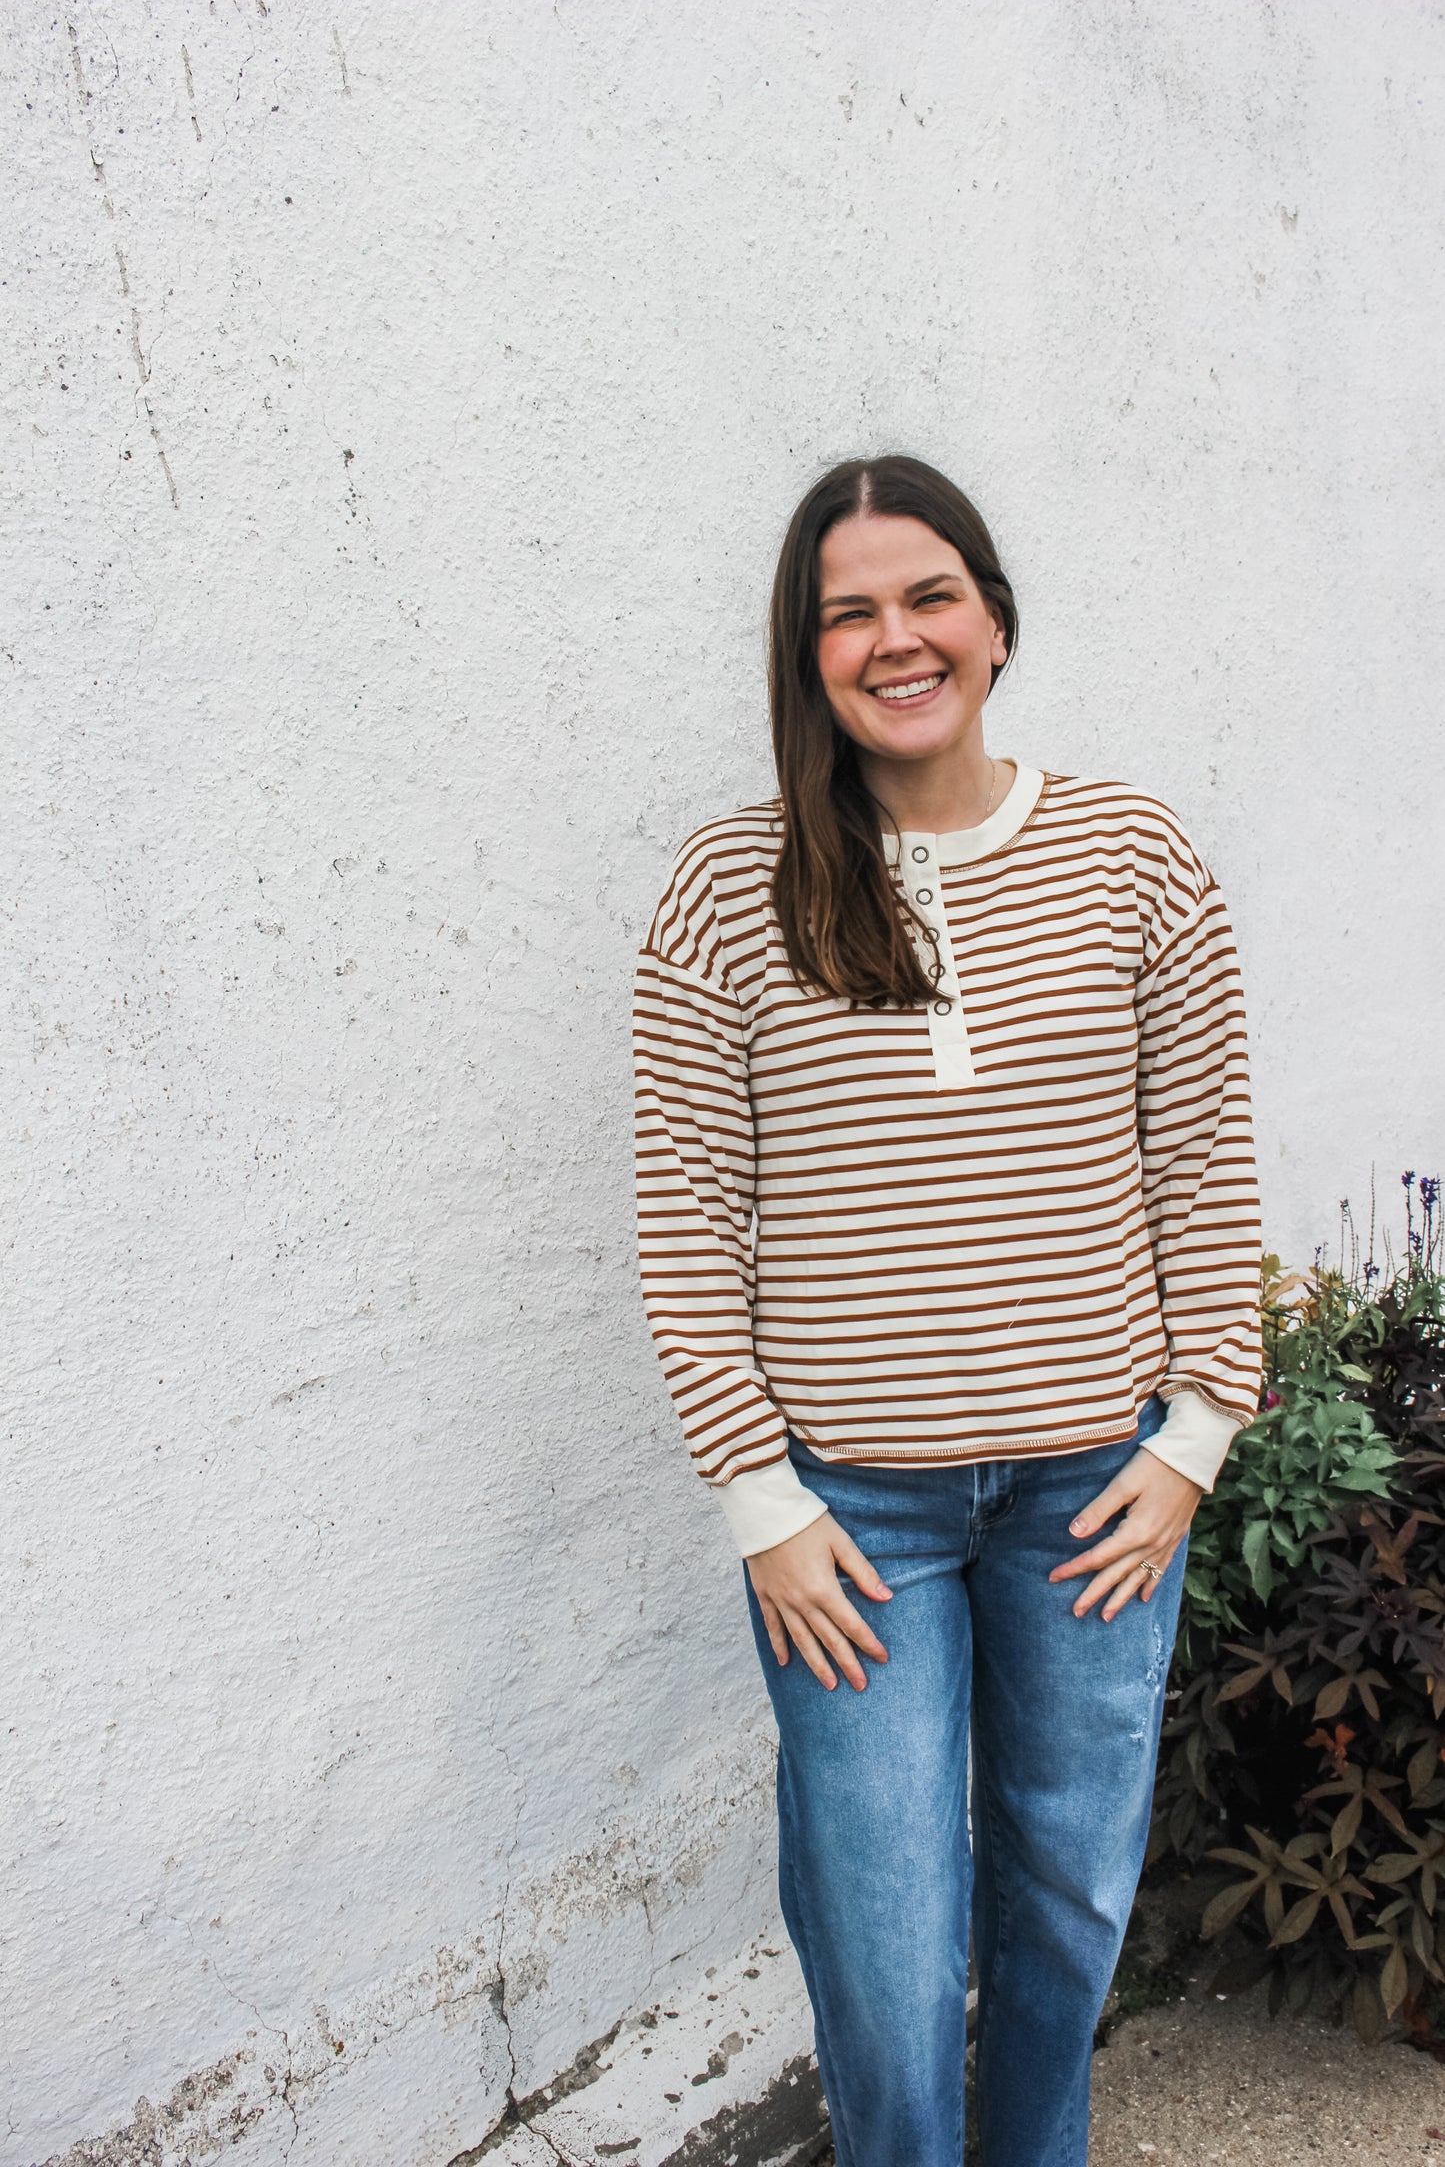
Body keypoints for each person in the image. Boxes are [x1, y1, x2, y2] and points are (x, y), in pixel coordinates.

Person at [631, 455, 1261, 2167]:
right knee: (887, 1932)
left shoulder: (1131, 853)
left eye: (926, 597)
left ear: (991, 618)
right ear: (804, 652)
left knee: (1064, 1902)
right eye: (847, 612)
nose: (892, 640)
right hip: (851, 1523)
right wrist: (761, 1502)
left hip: (1096, 1496)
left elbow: (1199, 1159)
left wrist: (1196, 1434)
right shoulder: (728, 886)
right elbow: (685, 1223)